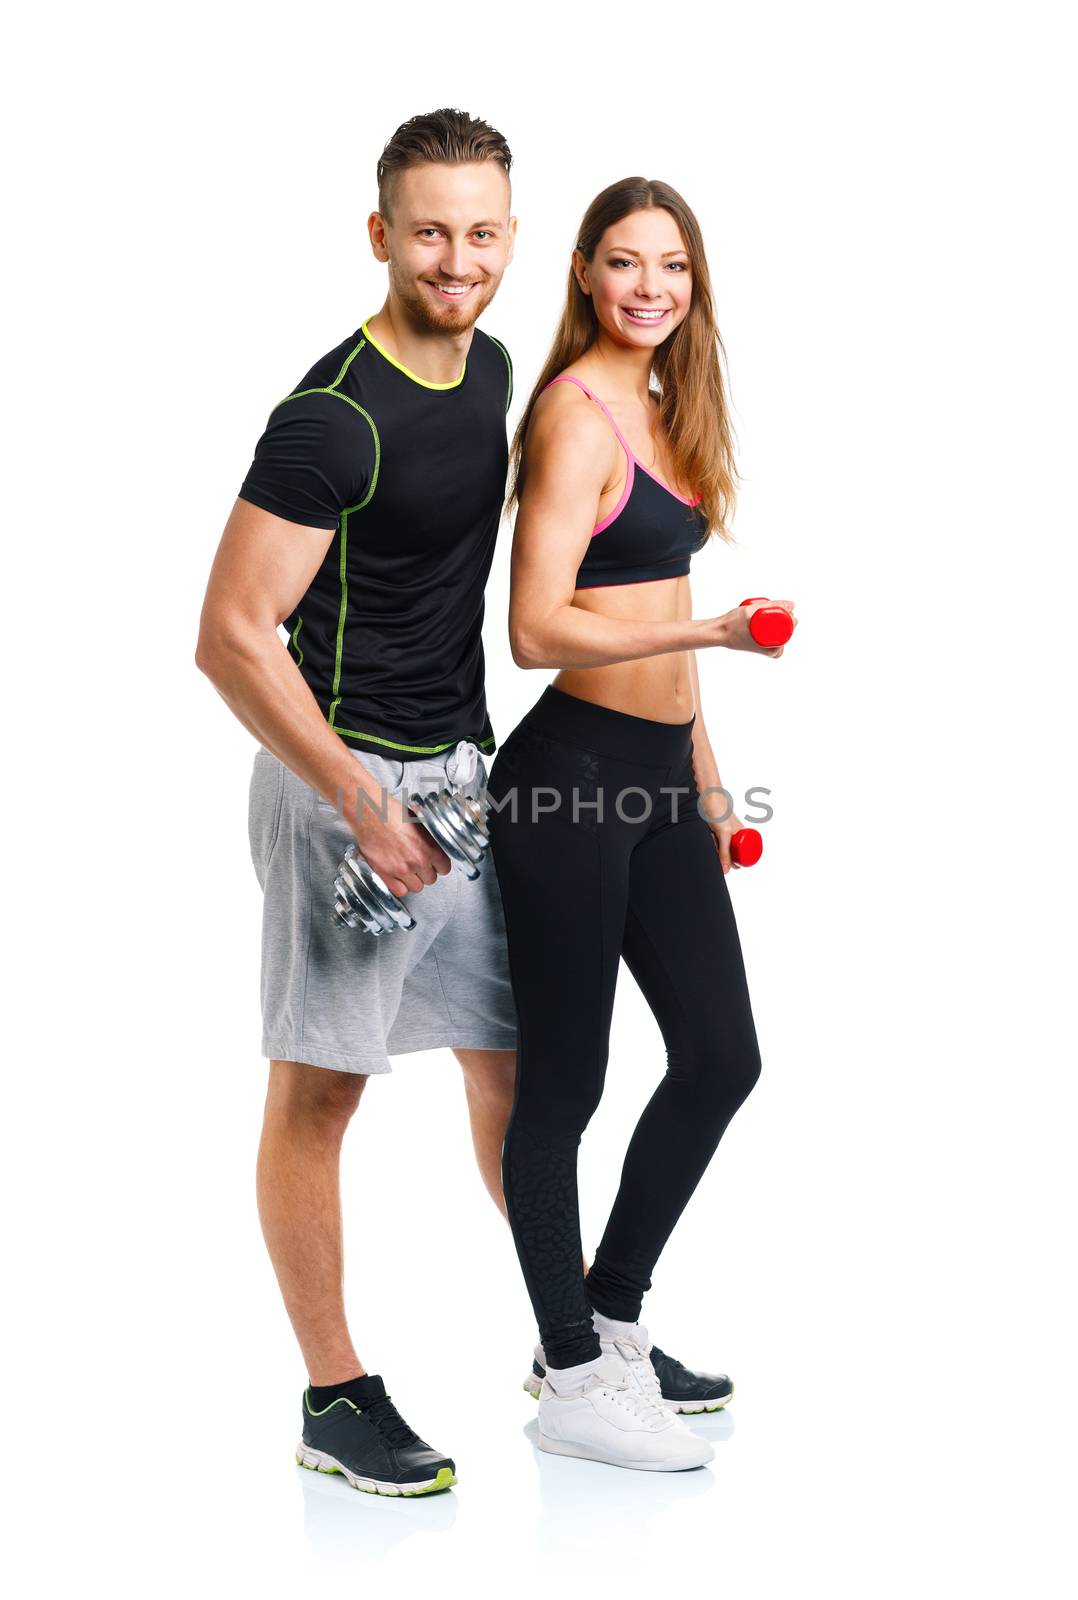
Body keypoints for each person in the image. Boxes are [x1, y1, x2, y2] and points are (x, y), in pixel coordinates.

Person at [195, 108, 520, 1497]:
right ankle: (335, 1399)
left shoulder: (492, 366)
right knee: (324, 1092)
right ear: (380, 236)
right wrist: (357, 802)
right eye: (431, 232)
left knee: (522, 1072)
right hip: (347, 789)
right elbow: (228, 632)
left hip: (460, 776)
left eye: (484, 232)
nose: (458, 260)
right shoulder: (330, 418)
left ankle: (576, 1341)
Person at [485, 176, 796, 1471]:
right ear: (582, 273)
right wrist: (711, 630)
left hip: (660, 778)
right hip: (565, 782)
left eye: (671, 266)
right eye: (625, 263)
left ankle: (611, 1317)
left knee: (722, 1056)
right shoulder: (573, 419)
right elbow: (533, 627)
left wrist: (711, 792)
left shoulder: (669, 409)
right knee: (563, 1083)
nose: (649, 288)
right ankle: (567, 1375)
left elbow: (657, 595)